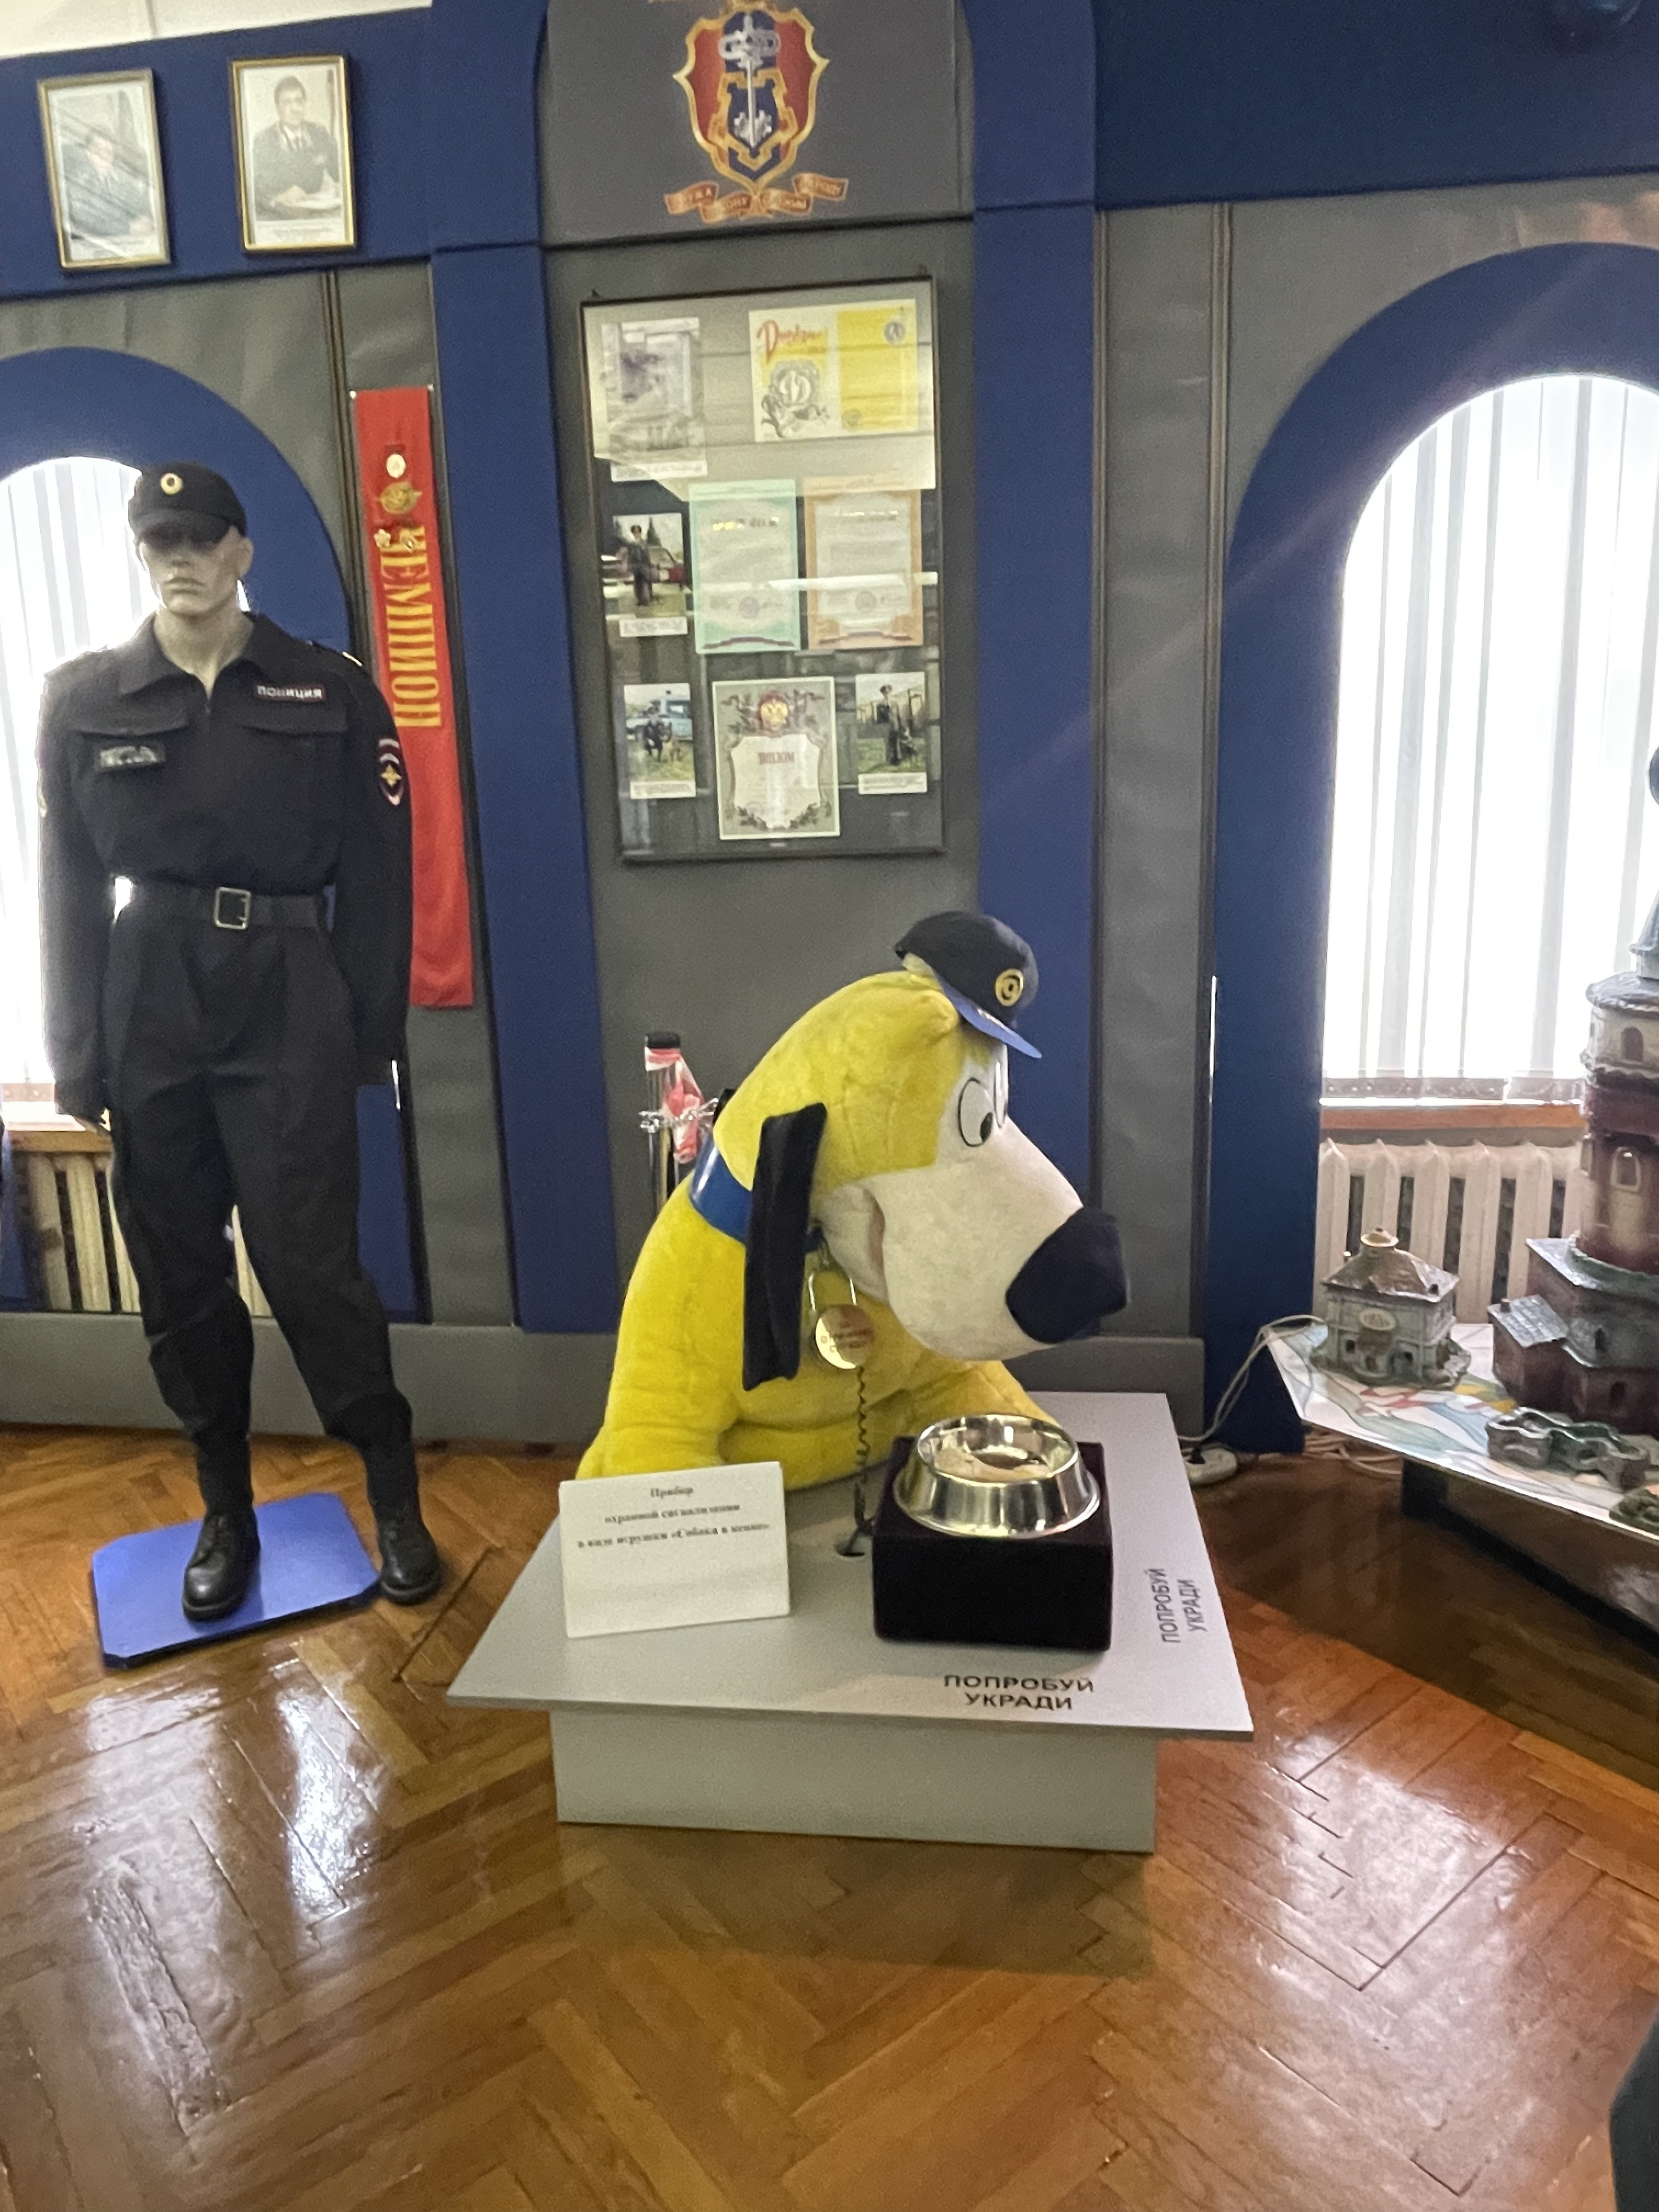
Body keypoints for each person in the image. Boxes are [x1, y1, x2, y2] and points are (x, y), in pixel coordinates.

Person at [36, 462, 440, 1620]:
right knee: (180, 1275)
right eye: (160, 540)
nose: (182, 558)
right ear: (140, 553)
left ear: (241, 553)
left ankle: (394, 1495)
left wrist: (367, 1032)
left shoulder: (329, 689)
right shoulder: (85, 699)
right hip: (149, 992)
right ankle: (226, 1510)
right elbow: (67, 885)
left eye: (202, 538)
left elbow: (380, 877)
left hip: (287, 988)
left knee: (313, 1266)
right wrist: (78, 1052)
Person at [250, 76, 340, 221]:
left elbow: (339, 172)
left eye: (299, 101)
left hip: (316, 215)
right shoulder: (264, 141)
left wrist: (341, 186)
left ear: (305, 104)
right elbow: (253, 191)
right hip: (279, 217)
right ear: (278, 108)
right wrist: (279, 197)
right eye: (287, 103)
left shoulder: (319, 133)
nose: (295, 109)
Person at [61, 126, 151, 251]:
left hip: (129, 245)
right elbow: (86, 223)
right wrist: (128, 229)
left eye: (108, 149)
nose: (105, 154)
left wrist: (146, 218)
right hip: (92, 249)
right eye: (99, 150)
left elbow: (141, 205)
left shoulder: (123, 178)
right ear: (89, 154)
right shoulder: (78, 182)